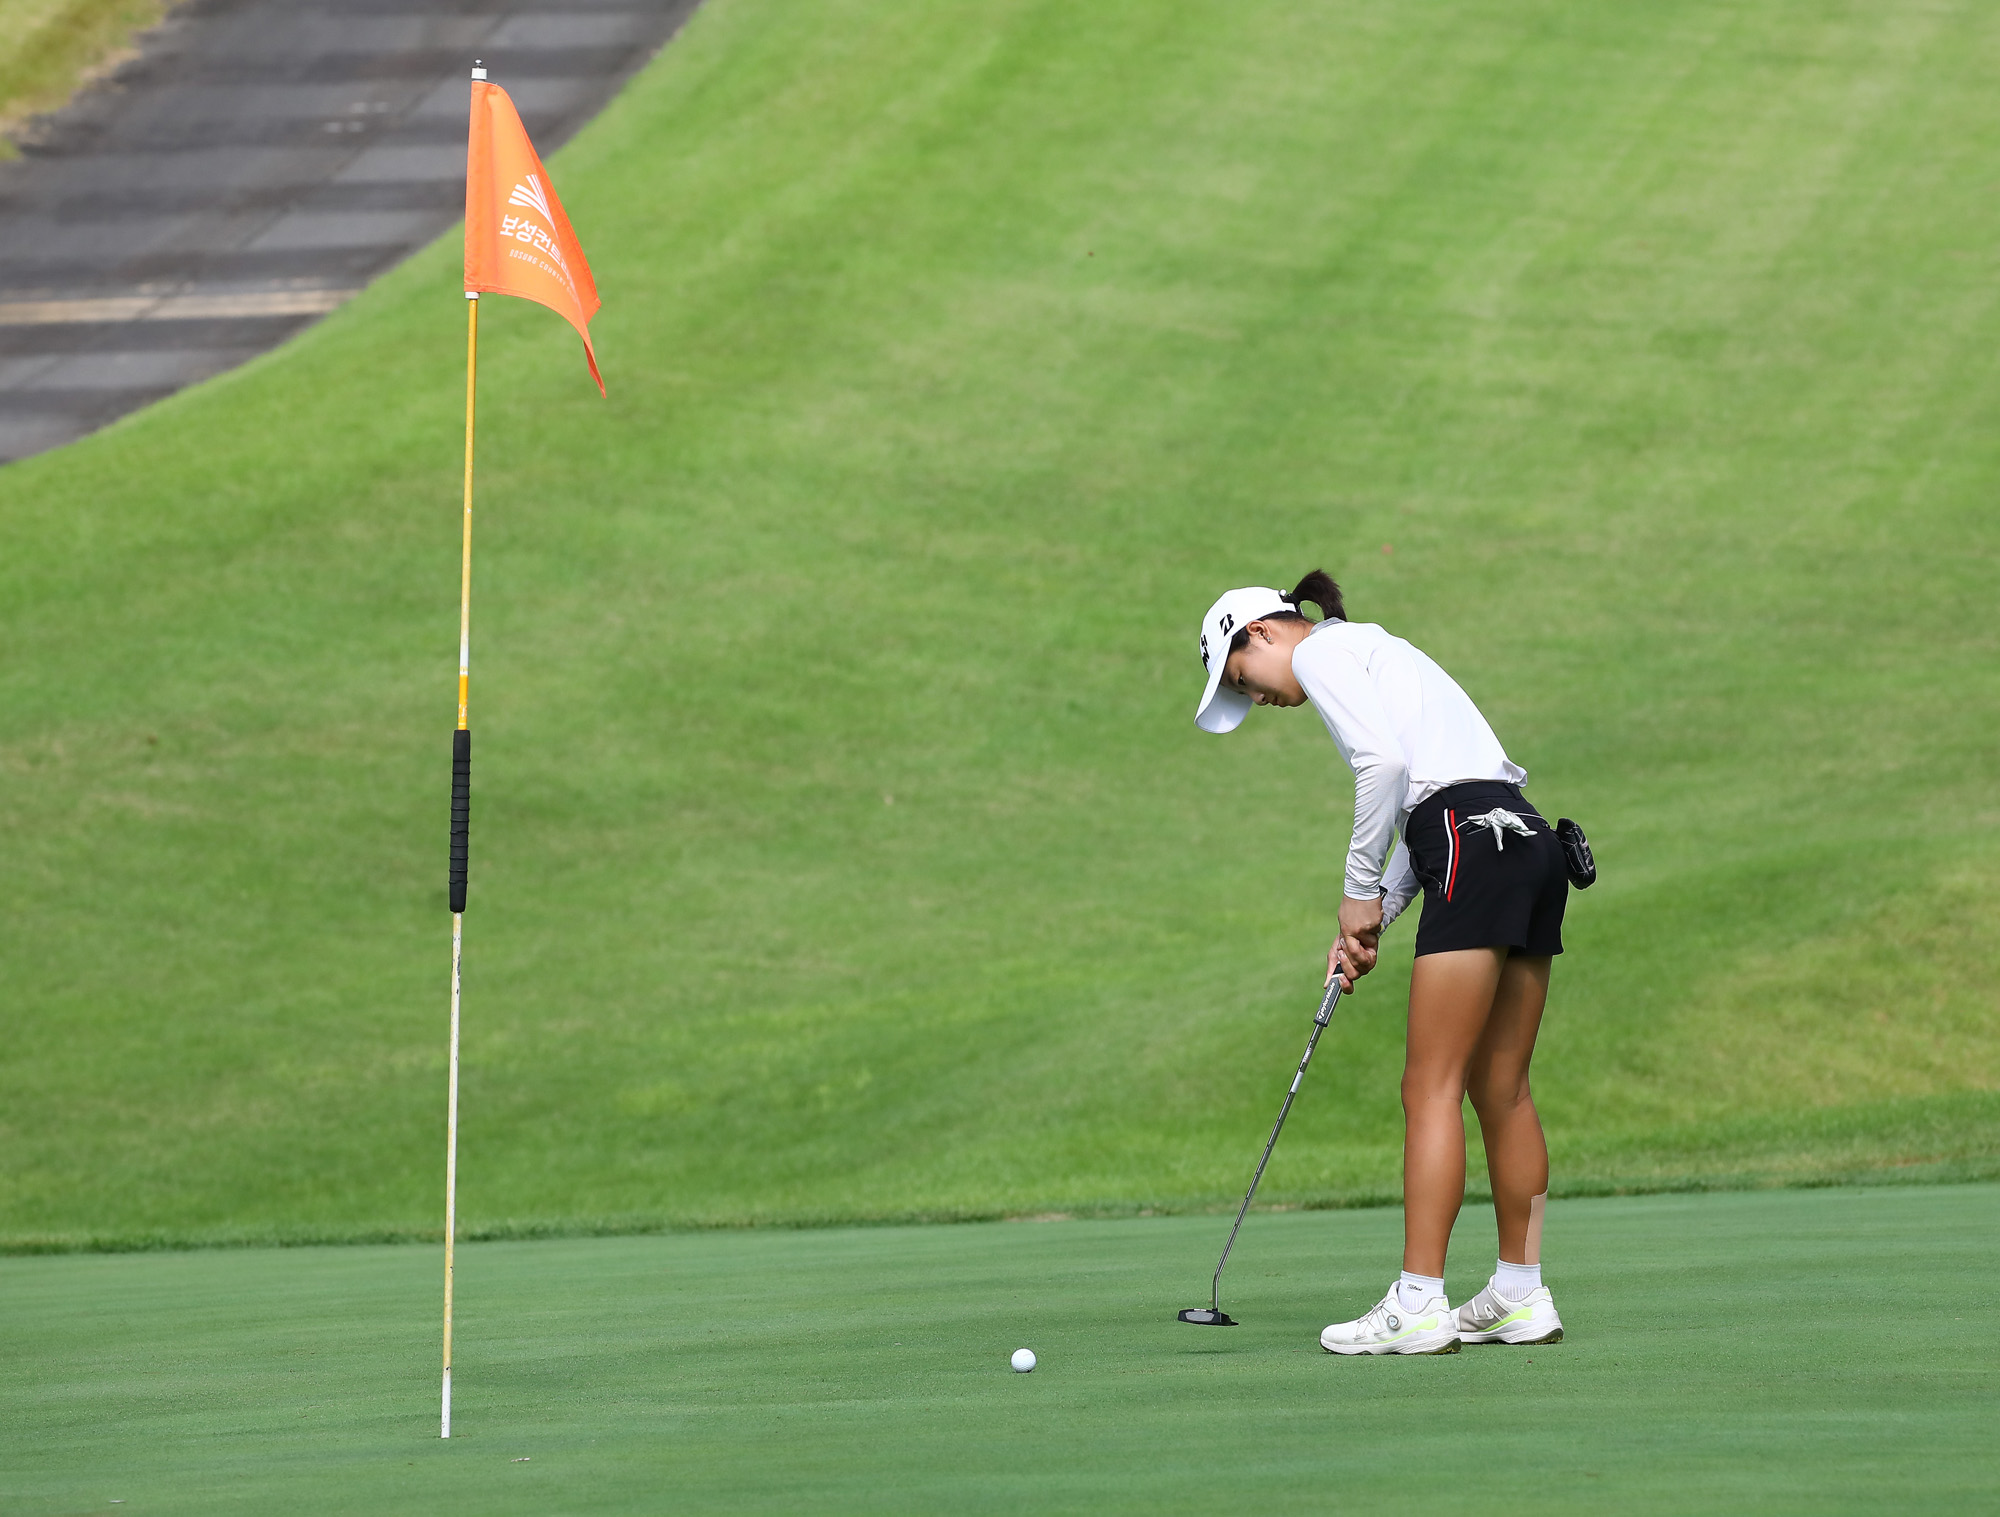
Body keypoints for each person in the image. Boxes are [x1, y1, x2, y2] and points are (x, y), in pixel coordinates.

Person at [1193, 570, 1568, 1355]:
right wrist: (1379, 916)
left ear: (1261, 633)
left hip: (1466, 838)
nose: (1254, 697)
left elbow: (1386, 771)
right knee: (1501, 1086)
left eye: (1240, 678)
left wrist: (1356, 893)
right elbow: (1437, 793)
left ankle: (1419, 1303)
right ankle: (1519, 1292)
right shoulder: (1378, 650)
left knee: (1428, 1083)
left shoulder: (1323, 654)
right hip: (1526, 839)